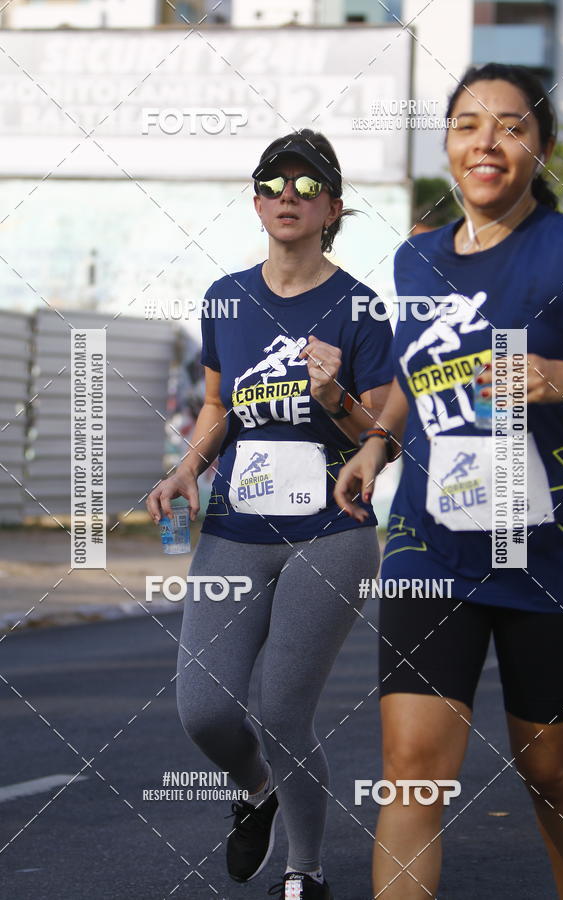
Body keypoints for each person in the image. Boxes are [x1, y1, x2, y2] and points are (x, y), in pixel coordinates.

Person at [334, 64, 563, 899]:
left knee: (550, 769)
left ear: (541, 147)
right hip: (430, 540)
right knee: (412, 769)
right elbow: (419, 375)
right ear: (448, 145)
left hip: (553, 550)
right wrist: (378, 442)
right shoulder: (415, 262)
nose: (488, 141)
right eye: (468, 124)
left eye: (511, 125)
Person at [147, 128, 393, 898]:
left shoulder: (359, 307)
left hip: (331, 533)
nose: (289, 197)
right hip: (235, 527)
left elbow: (382, 435)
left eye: (307, 185)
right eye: (273, 184)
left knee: (283, 708)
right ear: (256, 201)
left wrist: (335, 399)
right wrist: (188, 466)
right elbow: (219, 403)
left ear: (334, 207)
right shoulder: (226, 296)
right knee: (205, 711)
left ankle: (304, 871)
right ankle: (257, 788)